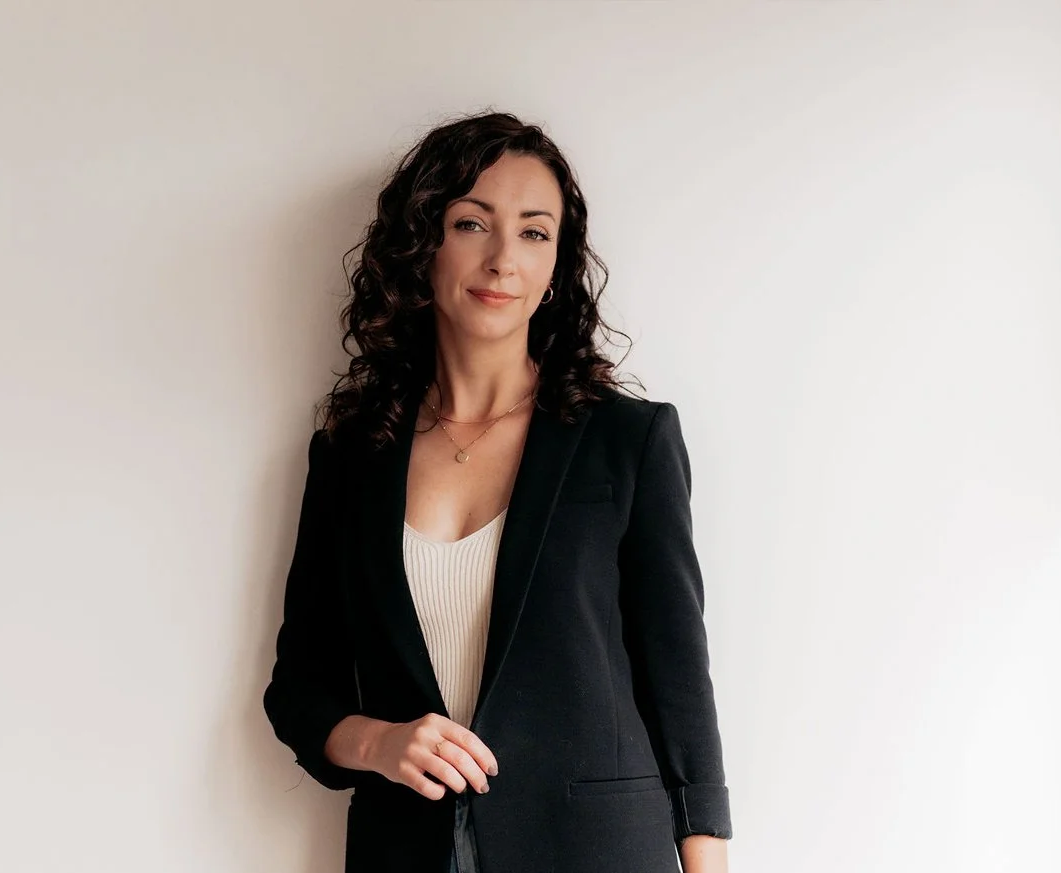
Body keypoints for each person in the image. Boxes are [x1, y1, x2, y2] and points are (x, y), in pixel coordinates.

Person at [263, 111, 732, 873]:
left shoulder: (627, 440)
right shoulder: (352, 454)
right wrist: (378, 741)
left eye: (534, 232)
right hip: (405, 852)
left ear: (557, 266)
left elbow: (678, 679)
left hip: (595, 850)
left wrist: (706, 862)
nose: (503, 259)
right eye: (472, 223)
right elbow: (299, 688)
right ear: (423, 242)